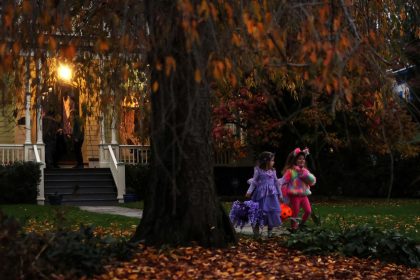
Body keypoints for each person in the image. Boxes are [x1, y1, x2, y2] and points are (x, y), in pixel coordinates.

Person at [245, 151, 283, 238]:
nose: (274, 162)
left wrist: (280, 195)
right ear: (266, 161)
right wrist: (249, 191)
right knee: (259, 212)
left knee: (271, 212)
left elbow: (277, 183)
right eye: (272, 160)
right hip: (260, 196)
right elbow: (254, 182)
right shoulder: (258, 170)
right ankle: (256, 233)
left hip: (271, 197)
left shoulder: (273, 171)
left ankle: (270, 231)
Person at [281, 147, 316, 231]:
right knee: (295, 213)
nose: (302, 160)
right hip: (295, 196)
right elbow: (283, 183)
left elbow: (311, 181)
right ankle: (294, 228)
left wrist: (308, 177)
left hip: (304, 195)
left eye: (303, 159)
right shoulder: (290, 171)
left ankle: (301, 225)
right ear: (295, 160)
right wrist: (284, 196)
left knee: (308, 211)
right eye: (299, 159)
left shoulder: (305, 171)